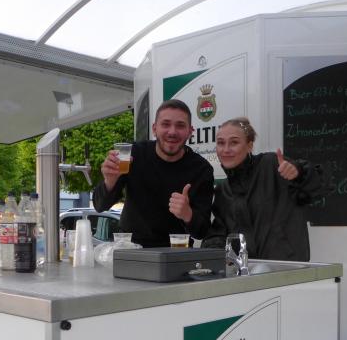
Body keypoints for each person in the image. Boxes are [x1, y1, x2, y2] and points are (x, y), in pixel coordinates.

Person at [92, 99, 214, 247]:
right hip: (131, 249)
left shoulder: (201, 169)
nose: (172, 132)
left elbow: (202, 231)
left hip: (175, 251)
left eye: (180, 125)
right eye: (166, 124)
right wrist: (110, 181)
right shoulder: (133, 154)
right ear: (154, 129)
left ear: (190, 132)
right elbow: (100, 206)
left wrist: (187, 214)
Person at [201, 117, 326, 261]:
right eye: (221, 143)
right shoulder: (223, 190)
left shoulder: (271, 165)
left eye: (234, 142)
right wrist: (212, 253)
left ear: (249, 146)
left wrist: (299, 173)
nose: (226, 149)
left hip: (286, 269)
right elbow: (218, 234)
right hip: (246, 271)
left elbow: (319, 185)